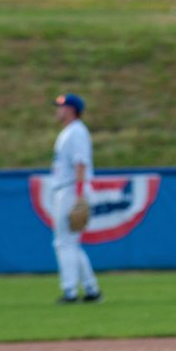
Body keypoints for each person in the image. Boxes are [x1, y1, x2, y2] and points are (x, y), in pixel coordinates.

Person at [48, 94, 102, 304]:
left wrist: (80, 195)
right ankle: (91, 289)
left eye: (61, 106)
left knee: (63, 243)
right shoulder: (70, 132)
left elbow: (81, 164)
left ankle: (70, 291)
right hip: (69, 188)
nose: (58, 110)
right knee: (71, 243)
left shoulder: (77, 132)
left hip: (71, 189)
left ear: (71, 109)